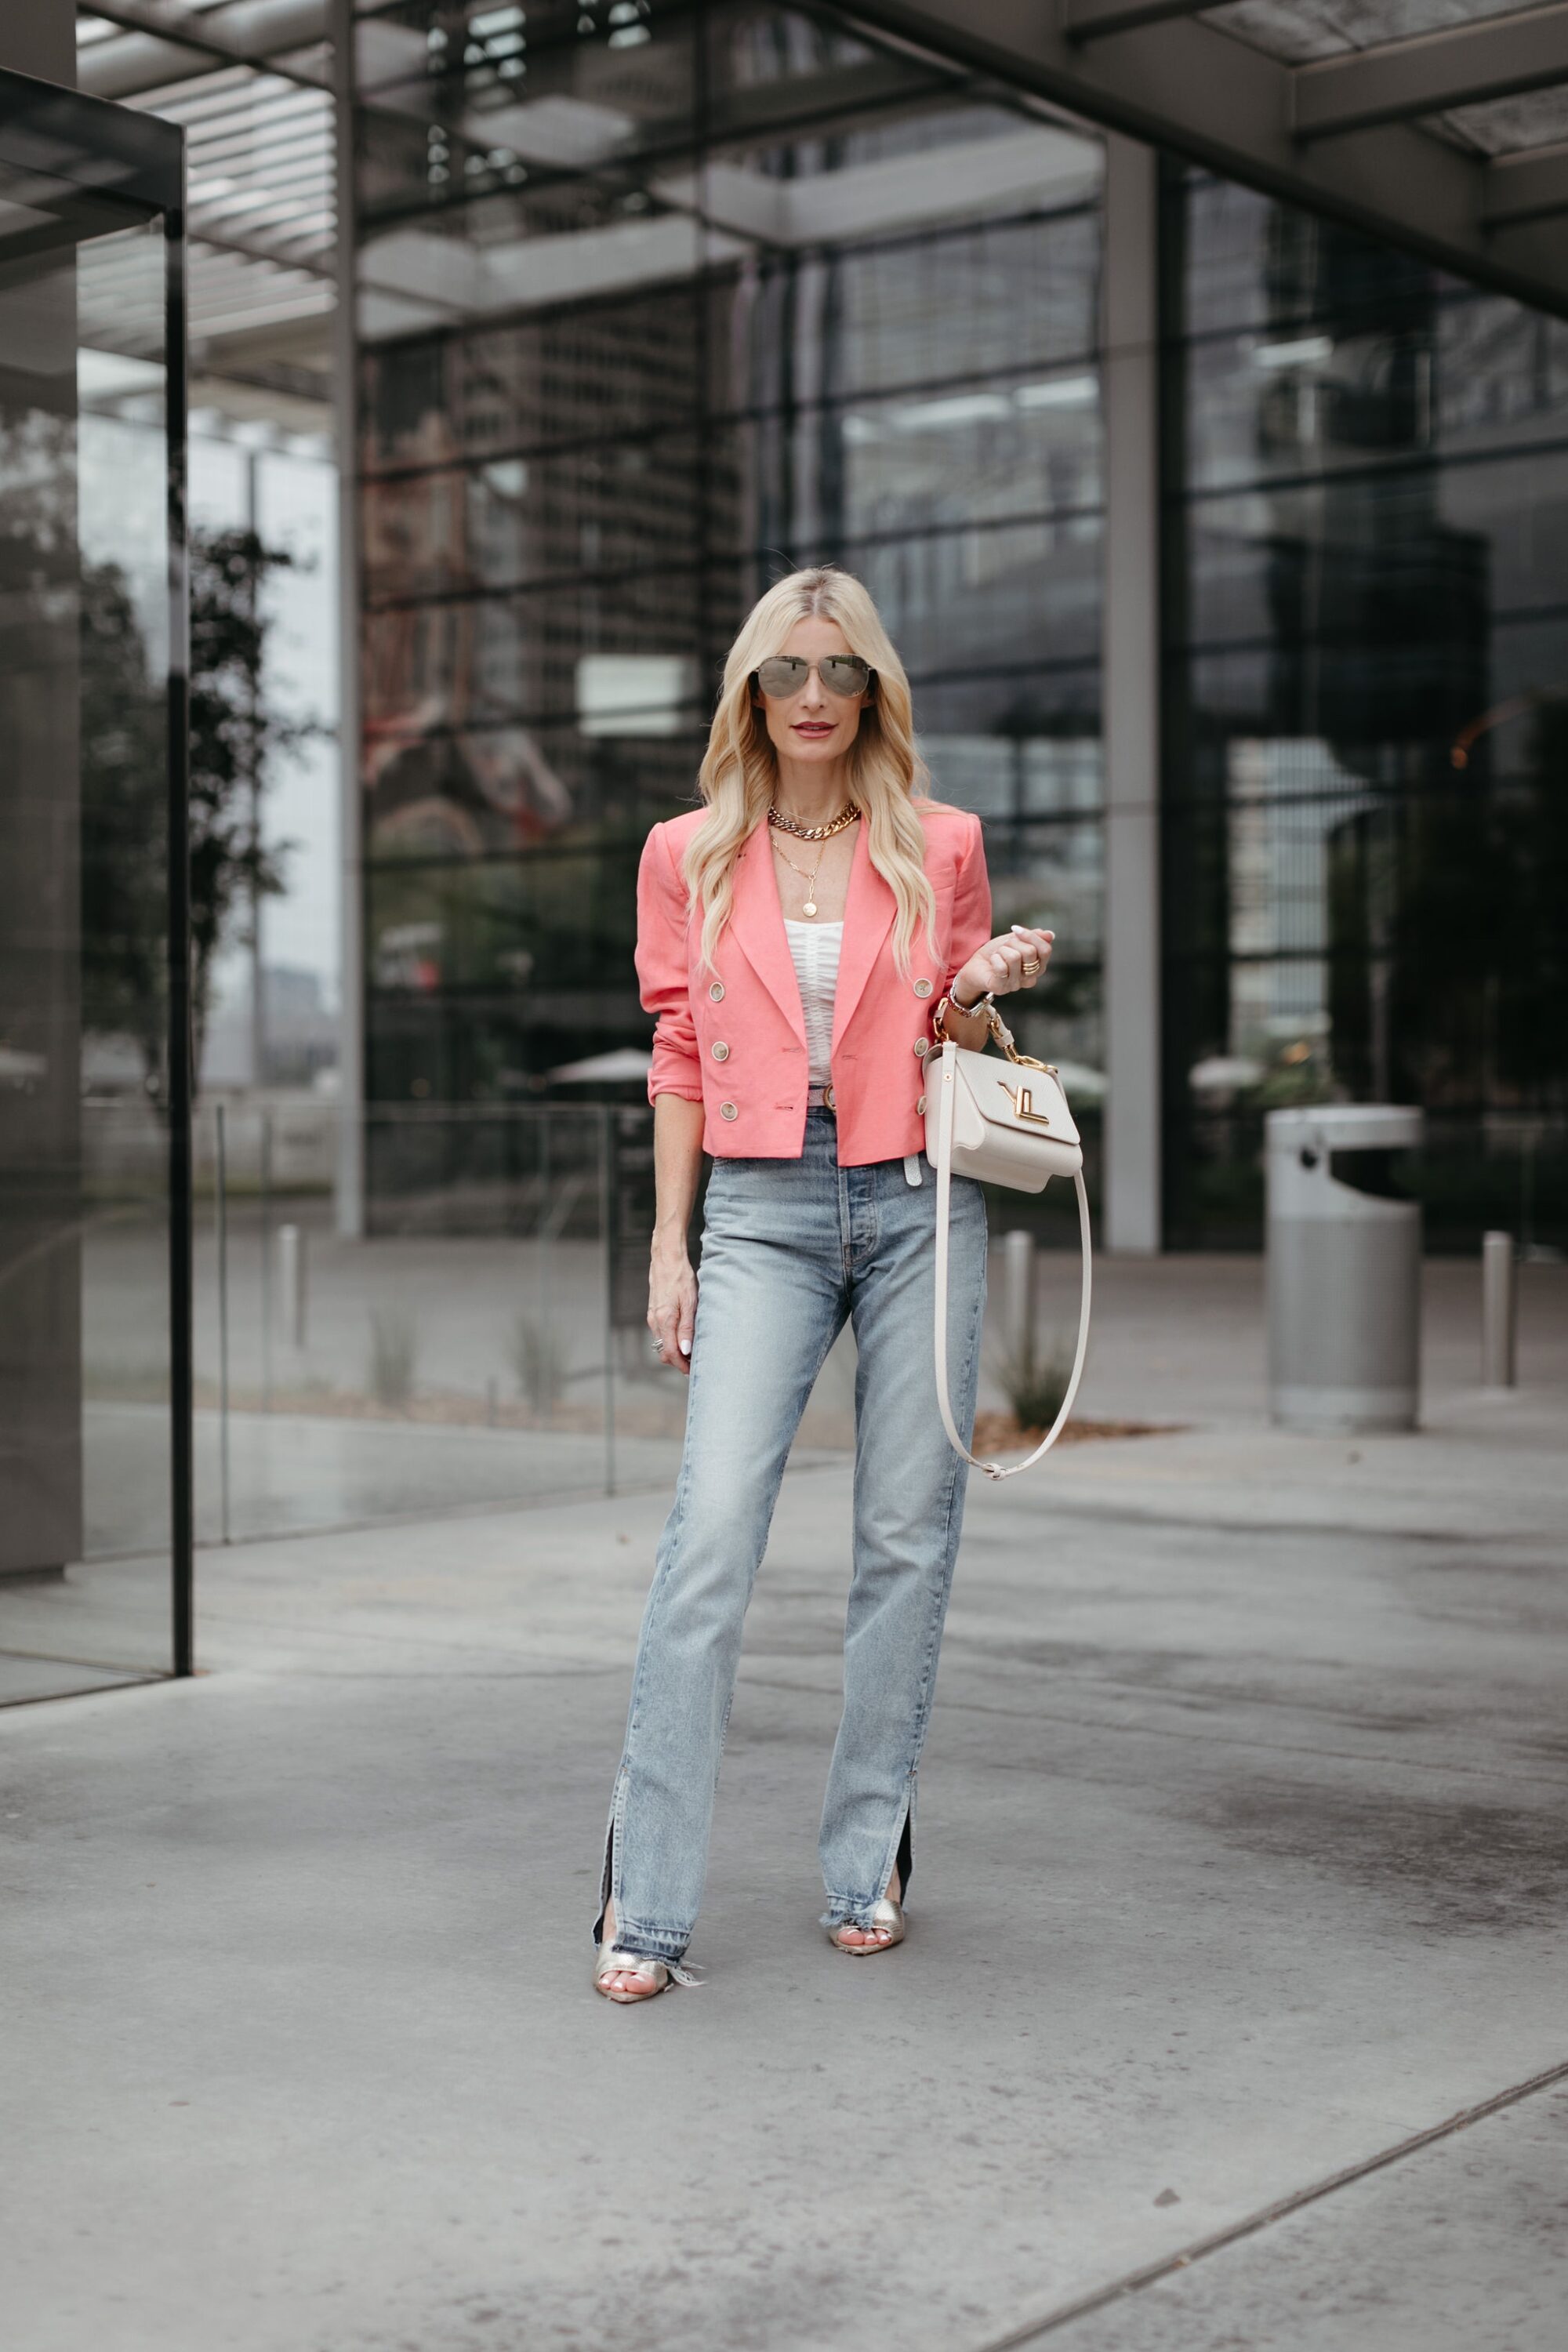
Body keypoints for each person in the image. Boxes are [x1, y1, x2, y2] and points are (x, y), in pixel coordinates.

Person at [593, 566, 1054, 2002]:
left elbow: (951, 1030)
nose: (811, 697)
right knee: (713, 1532)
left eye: (839, 672)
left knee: (907, 1538)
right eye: (786, 673)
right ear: (750, 690)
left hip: (924, 1200)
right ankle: (645, 1901)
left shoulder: (942, 840)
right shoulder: (689, 852)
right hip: (762, 1207)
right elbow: (678, 1053)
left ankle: (867, 1860)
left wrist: (984, 981)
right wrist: (672, 1243)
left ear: (873, 692)